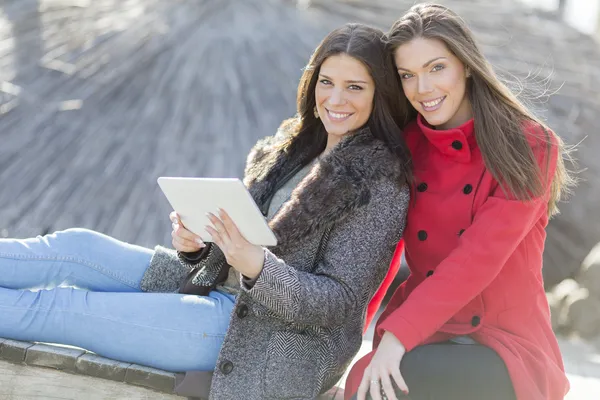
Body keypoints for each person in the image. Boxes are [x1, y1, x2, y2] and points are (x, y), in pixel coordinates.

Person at [0, 23, 412, 399]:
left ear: (380, 94)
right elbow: (235, 249)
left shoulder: (379, 184)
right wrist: (197, 247)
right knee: (76, 247)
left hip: (267, 338)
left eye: (355, 87)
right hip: (214, 289)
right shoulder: (292, 149)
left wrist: (256, 267)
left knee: (65, 307)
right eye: (327, 81)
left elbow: (337, 303)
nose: (335, 99)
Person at [346, 4, 574, 400]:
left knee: (396, 383)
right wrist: (355, 340)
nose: (423, 89)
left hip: (506, 344)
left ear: (466, 65)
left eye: (437, 68)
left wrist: (397, 339)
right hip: (427, 332)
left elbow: (478, 258)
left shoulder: (530, 145)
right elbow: (380, 254)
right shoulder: (407, 147)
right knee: (364, 385)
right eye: (407, 76)